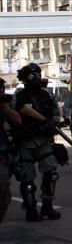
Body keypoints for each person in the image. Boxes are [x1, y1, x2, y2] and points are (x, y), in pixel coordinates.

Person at [13, 63, 63, 221]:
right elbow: (10, 116)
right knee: (27, 180)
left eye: (38, 75)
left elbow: (55, 113)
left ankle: (47, 206)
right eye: (32, 75)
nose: (36, 78)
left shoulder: (46, 95)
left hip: (43, 141)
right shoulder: (18, 96)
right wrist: (17, 132)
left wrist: (51, 124)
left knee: (51, 174)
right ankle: (30, 208)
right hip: (26, 143)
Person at [0, 77, 22, 223]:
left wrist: (5, 108)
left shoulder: (4, 106)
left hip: (2, 156)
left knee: (3, 195)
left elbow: (18, 121)